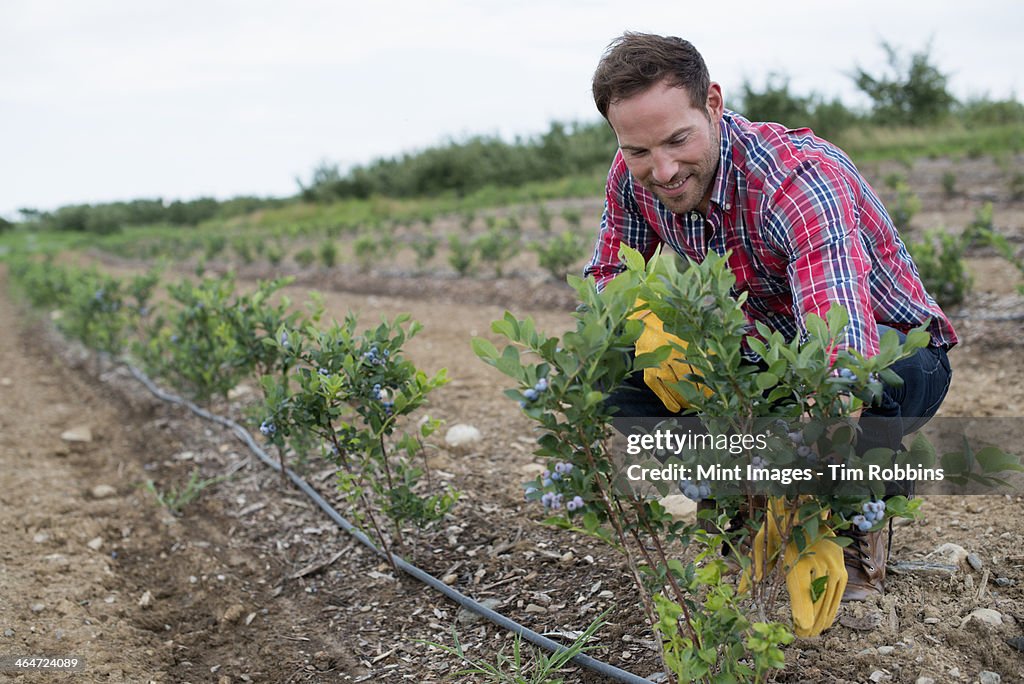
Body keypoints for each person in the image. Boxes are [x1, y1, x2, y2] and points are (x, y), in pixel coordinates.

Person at [584, 32, 957, 603]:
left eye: (677, 140)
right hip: (768, 358)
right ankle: (735, 504)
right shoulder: (636, 172)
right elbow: (607, 279)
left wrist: (810, 485)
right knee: (612, 372)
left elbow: (842, 354)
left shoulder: (797, 183)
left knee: (875, 387)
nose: (661, 170)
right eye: (637, 150)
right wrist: (645, 330)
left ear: (712, 103)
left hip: (891, 351)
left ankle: (854, 515)